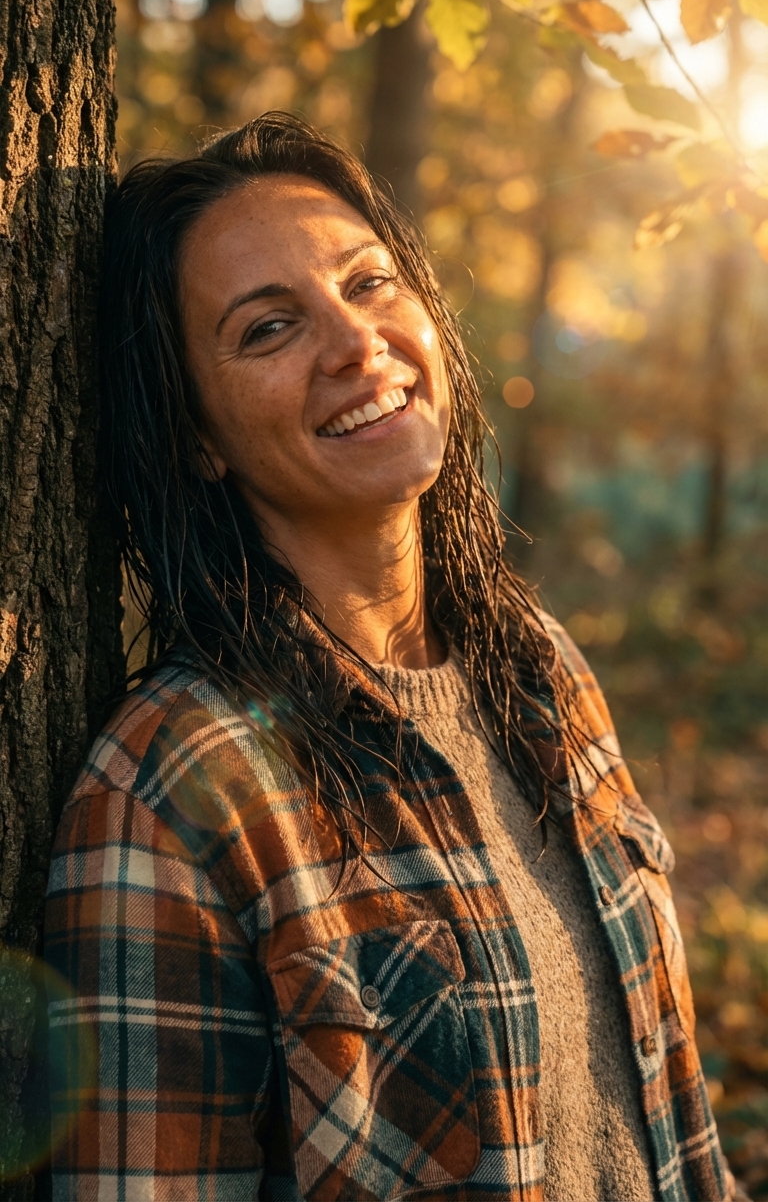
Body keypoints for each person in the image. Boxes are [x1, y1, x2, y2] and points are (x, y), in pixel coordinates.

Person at [45, 113, 742, 1202]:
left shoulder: (537, 667)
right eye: (268, 328)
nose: (354, 342)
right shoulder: (175, 787)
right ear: (195, 433)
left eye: (368, 283)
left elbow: (678, 1135)